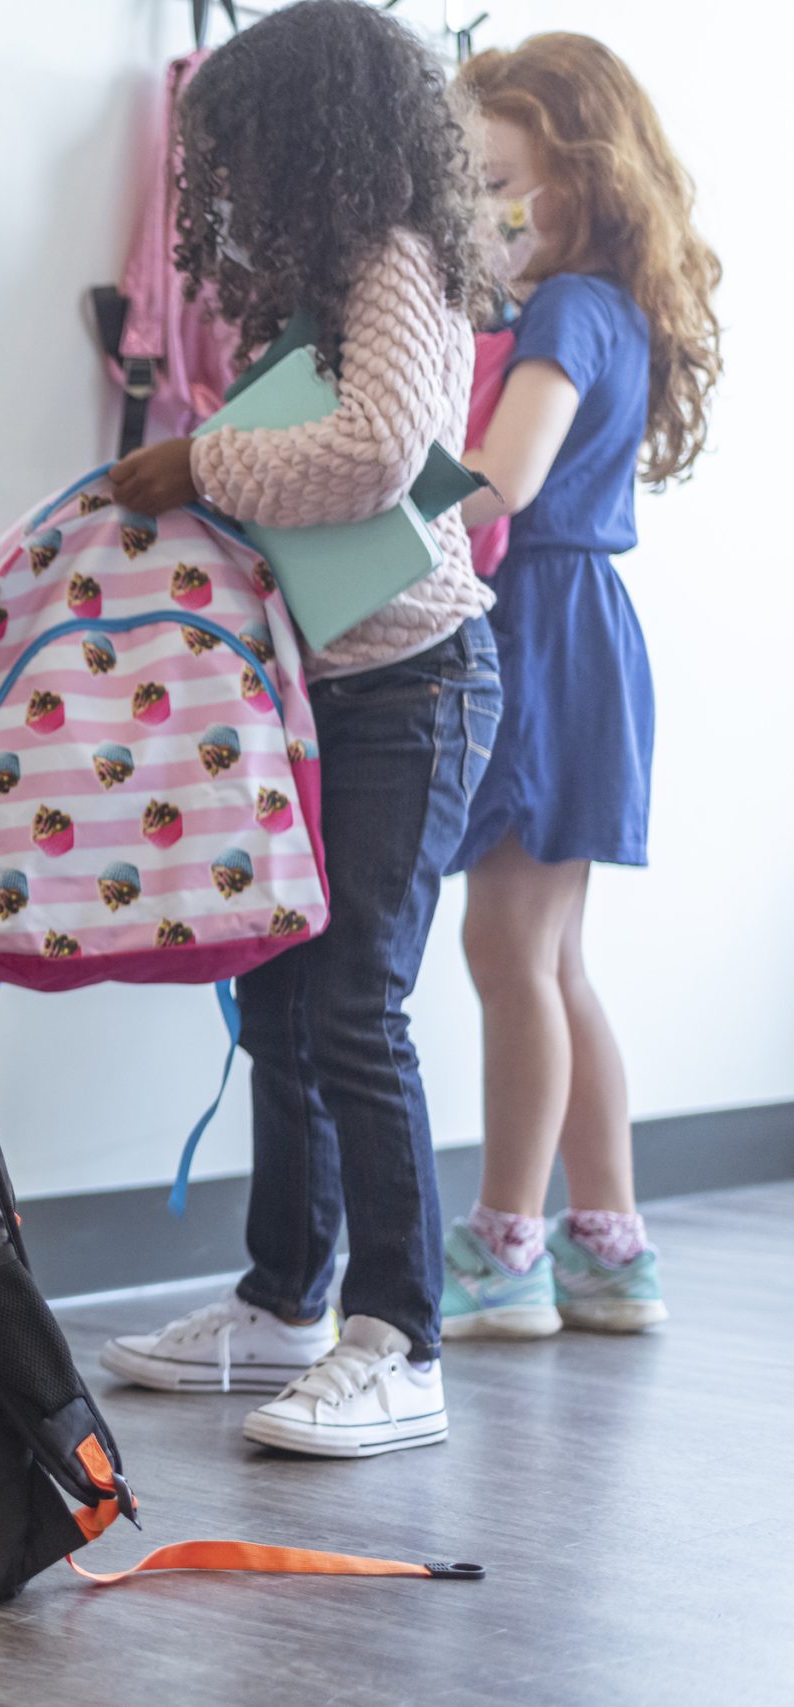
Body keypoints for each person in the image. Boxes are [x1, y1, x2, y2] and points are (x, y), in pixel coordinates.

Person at [97, 0, 500, 1459]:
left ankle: (403, 1334)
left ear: (310, 139)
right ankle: (285, 1297)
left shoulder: (396, 264)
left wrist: (195, 456)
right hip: (331, 698)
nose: (226, 188)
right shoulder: (320, 290)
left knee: (353, 1009)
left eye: (242, 154)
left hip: (418, 691)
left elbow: (376, 453)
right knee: (279, 1000)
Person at [439, 35, 720, 1339]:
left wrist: (376, 502)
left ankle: (508, 1243)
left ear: (583, 178)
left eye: (504, 180)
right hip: (586, 626)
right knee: (553, 957)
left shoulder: (560, 313)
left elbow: (505, 479)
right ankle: (608, 1241)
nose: (487, 207)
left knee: (508, 952)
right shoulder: (611, 305)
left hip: (540, 626)